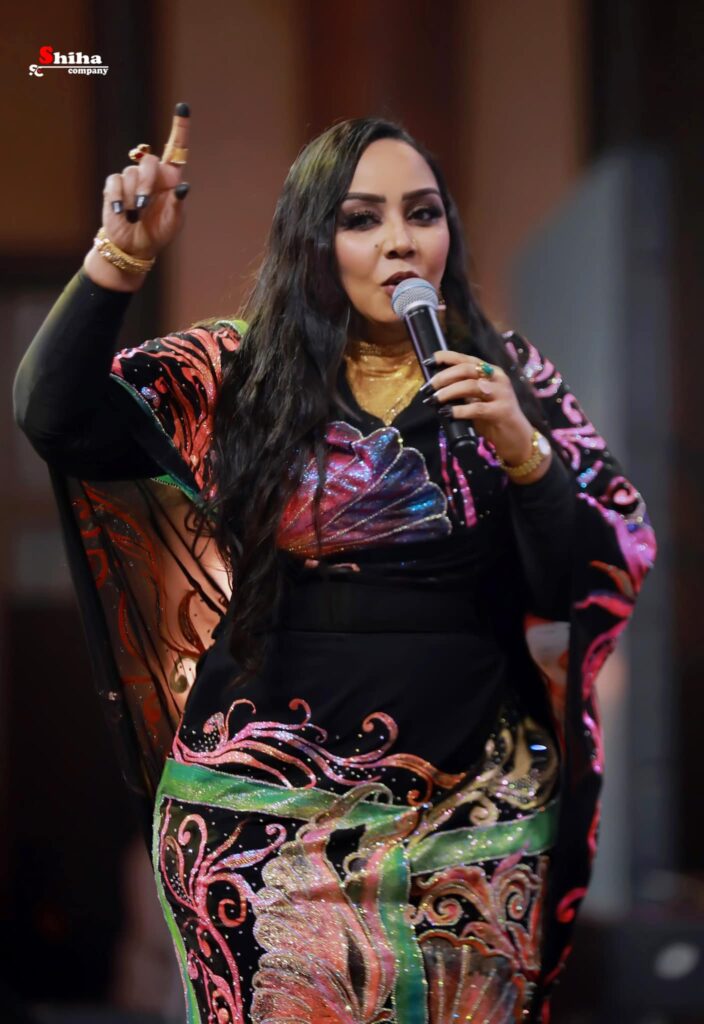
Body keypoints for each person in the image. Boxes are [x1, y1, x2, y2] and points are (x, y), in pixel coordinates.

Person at [14, 107, 655, 1024]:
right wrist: (121, 256)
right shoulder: (238, 370)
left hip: (475, 820)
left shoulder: (507, 377)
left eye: (422, 213)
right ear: (313, 242)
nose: (401, 241)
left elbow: (582, 583)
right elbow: (55, 416)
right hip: (265, 826)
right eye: (362, 219)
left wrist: (526, 451)